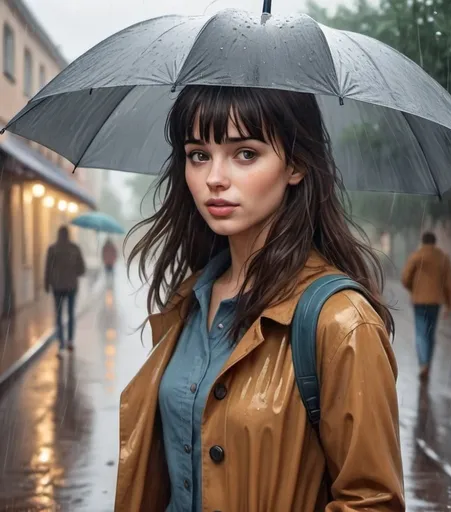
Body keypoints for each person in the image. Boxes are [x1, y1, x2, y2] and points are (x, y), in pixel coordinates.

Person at [115, 86, 405, 511]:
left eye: (245, 153)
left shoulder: (342, 322)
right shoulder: (189, 300)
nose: (214, 177)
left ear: (297, 165)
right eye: (198, 154)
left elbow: (371, 501)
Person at [401, 231, 451, 381]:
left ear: (423, 241)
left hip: (419, 301)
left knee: (420, 332)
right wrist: (449, 305)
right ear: (435, 242)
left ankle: (423, 363)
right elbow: (449, 284)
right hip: (435, 302)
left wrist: (414, 289)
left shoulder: (417, 256)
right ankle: (428, 364)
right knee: (430, 334)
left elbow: (405, 278)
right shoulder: (443, 258)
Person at [44, 225, 86, 357]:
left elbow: (48, 269)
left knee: (58, 315)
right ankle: (70, 341)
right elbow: (82, 269)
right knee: (71, 313)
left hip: (57, 287)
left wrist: (47, 283)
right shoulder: (74, 248)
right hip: (71, 286)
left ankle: (61, 343)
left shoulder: (52, 249)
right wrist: (73, 272)